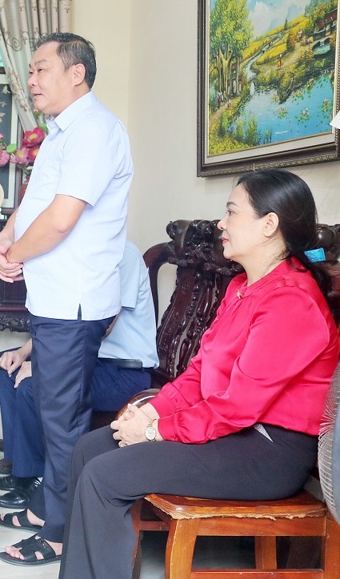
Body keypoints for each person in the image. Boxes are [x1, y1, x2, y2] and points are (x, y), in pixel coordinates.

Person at [58, 169, 340, 579]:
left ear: (269, 224)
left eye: (231, 212)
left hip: (266, 451)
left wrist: (157, 432)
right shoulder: (242, 286)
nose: (222, 224)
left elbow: (238, 407)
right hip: (233, 432)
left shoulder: (291, 302)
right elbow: (200, 371)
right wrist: (153, 413)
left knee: (106, 474)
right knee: (91, 449)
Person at [0, 32, 133, 565]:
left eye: (41, 70)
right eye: (30, 72)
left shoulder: (95, 130)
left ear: (77, 73)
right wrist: (8, 238)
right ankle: (47, 510)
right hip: (53, 299)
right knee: (55, 415)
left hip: (74, 302)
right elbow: (36, 204)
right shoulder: (60, 133)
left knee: (63, 420)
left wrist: (17, 255)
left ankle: (59, 532)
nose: (31, 82)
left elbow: (63, 218)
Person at [0, 241, 158, 514]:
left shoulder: (120, 255)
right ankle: (20, 463)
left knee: (34, 386)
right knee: (2, 367)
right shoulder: (83, 254)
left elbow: (100, 328)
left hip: (123, 373)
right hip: (86, 361)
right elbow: (61, 323)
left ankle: (36, 479)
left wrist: (44, 366)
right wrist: (23, 353)